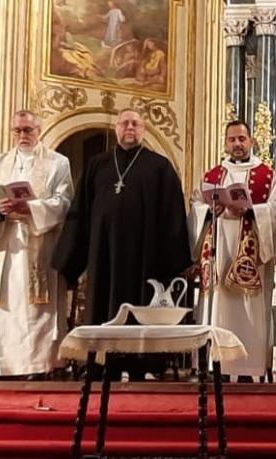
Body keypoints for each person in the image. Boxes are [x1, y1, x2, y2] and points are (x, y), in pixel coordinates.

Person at [54, 108, 192, 381]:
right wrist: (69, 258)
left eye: (136, 124)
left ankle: (143, 364)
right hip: (103, 253)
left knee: (142, 305)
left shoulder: (160, 166)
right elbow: (80, 212)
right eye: (125, 123)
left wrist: (174, 260)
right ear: (116, 128)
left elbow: (173, 214)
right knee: (104, 301)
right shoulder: (98, 165)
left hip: (146, 257)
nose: (130, 128)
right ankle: (102, 362)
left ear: (144, 129)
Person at [0, 110, 74, 380]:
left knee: (36, 308)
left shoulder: (57, 163)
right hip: (7, 243)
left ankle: (38, 365)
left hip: (40, 243)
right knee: (5, 305)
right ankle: (3, 365)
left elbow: (64, 202)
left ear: (39, 131)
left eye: (27, 130)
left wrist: (32, 208)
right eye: (17, 130)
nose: (22, 136)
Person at [189, 120, 276, 382]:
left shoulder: (267, 174)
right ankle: (214, 365)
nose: (237, 144)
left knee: (248, 309)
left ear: (251, 141)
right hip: (219, 250)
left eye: (242, 139)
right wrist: (210, 210)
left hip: (249, 252)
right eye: (232, 139)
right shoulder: (212, 175)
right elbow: (195, 206)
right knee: (217, 304)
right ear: (225, 143)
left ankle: (247, 368)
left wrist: (253, 210)